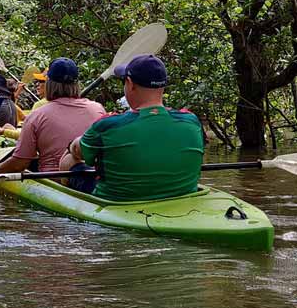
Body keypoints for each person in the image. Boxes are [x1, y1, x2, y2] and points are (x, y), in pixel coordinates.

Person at [63, 54, 204, 201]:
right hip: (180, 198)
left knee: (69, 160)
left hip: (118, 201)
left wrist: (72, 145)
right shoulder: (191, 121)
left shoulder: (108, 125)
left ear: (130, 84)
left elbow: (78, 152)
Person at [0, 58, 105, 175]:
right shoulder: (98, 109)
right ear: (77, 84)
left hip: (54, 179)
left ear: (49, 84)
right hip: (92, 179)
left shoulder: (37, 115)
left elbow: (20, 164)